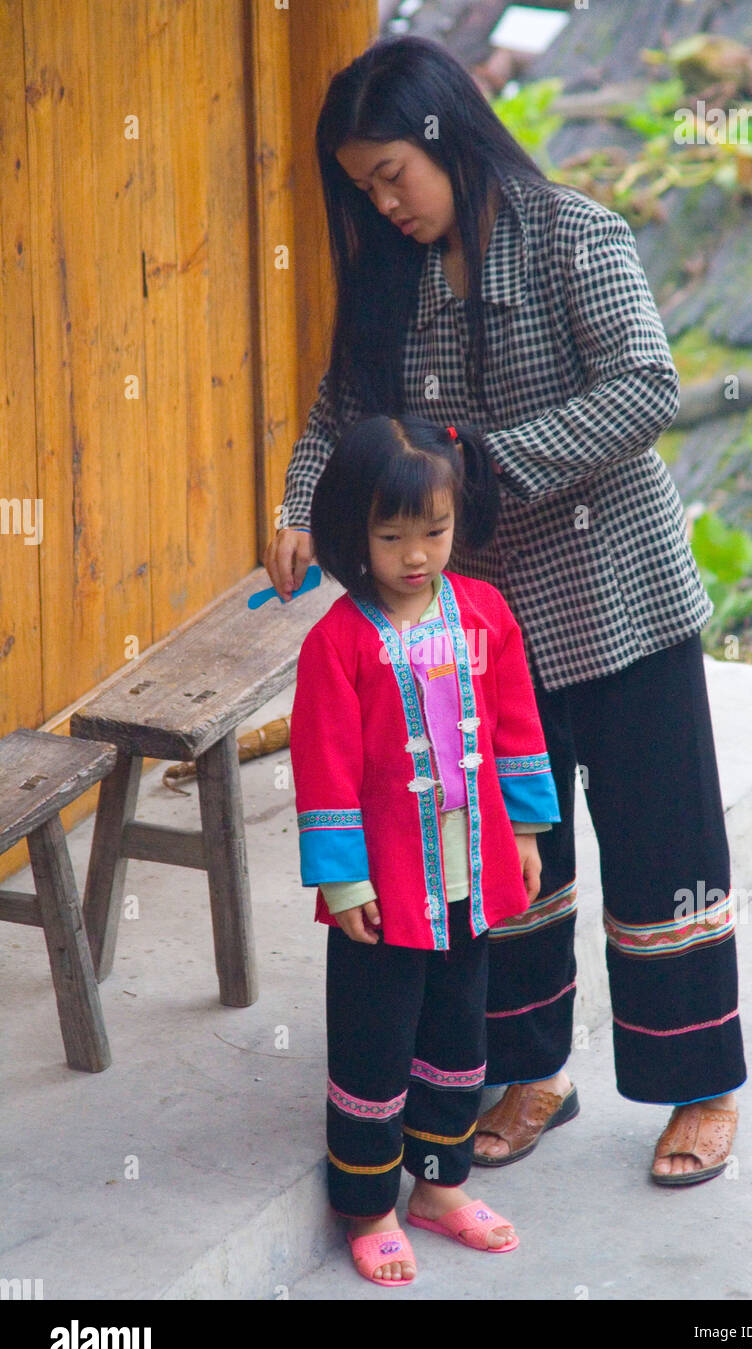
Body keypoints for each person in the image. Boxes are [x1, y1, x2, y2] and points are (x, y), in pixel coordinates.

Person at [268, 34, 746, 1190]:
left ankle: (697, 1082)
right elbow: (341, 411)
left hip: (619, 600)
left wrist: (482, 471)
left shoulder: (573, 233)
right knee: (499, 857)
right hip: (479, 645)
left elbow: (646, 384)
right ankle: (534, 1071)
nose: (383, 203)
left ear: (447, 133)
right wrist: (296, 505)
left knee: (659, 848)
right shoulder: (389, 277)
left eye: (393, 174)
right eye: (363, 188)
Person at [289, 413, 561, 1285]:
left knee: (456, 1032)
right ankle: (368, 1205)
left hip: (470, 876)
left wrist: (522, 833)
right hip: (383, 891)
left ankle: (441, 1188)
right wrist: (343, 882)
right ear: (350, 533)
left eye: (435, 532)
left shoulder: (485, 615)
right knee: (373, 1040)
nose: (416, 555)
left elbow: (518, 726)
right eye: (392, 535)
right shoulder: (337, 644)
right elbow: (323, 770)